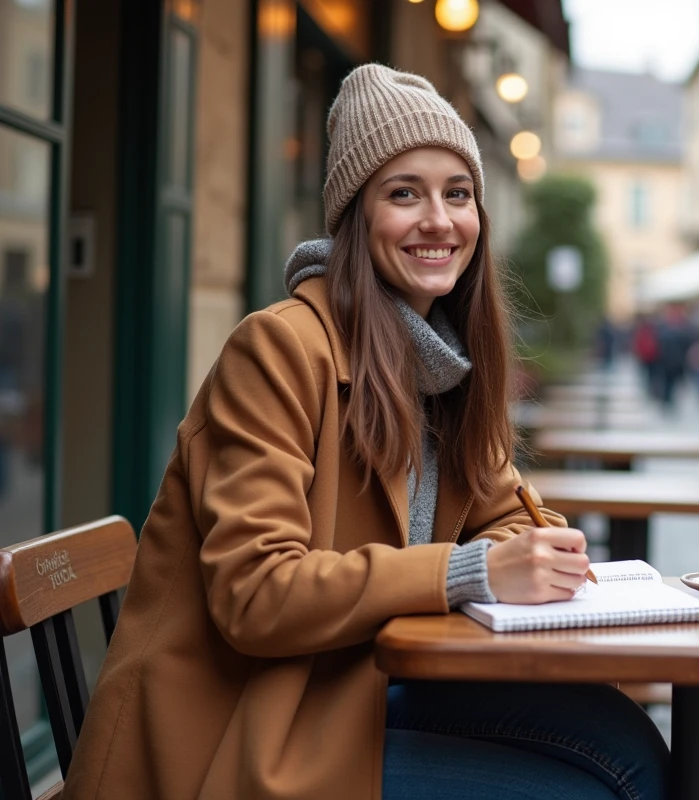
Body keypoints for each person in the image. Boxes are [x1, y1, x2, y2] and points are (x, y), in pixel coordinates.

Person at [63, 66, 668, 800]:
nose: (439, 220)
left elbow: (507, 513)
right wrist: (468, 572)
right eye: (404, 193)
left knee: (628, 742)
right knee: (595, 789)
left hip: (352, 685)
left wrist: (528, 553)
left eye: (458, 193)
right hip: (245, 730)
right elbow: (256, 593)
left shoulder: (440, 358)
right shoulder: (279, 350)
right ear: (356, 215)